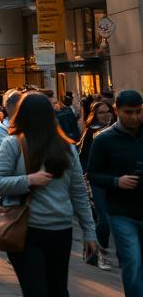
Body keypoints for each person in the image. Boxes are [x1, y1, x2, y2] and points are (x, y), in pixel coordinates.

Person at [0, 91, 97, 297]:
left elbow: (78, 192)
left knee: (57, 290)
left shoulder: (66, 147)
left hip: (60, 230)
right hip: (25, 230)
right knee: (37, 291)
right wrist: (29, 180)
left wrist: (89, 232)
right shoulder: (13, 144)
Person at [87, 88, 143, 297]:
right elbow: (92, 174)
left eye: (138, 111)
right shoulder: (103, 139)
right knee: (132, 260)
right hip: (122, 213)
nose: (135, 117)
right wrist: (116, 181)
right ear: (117, 110)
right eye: (129, 112)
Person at [78, 100, 115, 270]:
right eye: (101, 112)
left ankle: (93, 251)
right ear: (94, 115)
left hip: (116, 181)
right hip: (96, 181)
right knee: (103, 220)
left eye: (108, 111)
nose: (106, 114)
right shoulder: (91, 133)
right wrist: (85, 175)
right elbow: (83, 157)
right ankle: (101, 253)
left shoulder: (117, 131)